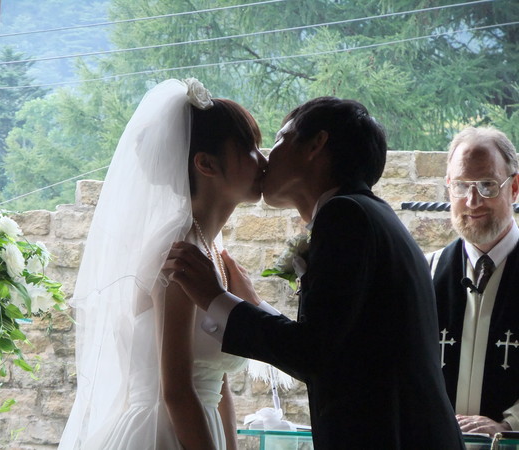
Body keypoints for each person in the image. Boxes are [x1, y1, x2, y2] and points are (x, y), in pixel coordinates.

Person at [164, 96, 465, 448]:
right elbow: (332, 344)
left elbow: (312, 353)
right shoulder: (366, 213)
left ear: (316, 145)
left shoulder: (345, 216)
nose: (266, 158)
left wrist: (215, 299)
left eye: (279, 139)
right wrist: (253, 304)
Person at [58, 78, 267, 449]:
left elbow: (218, 385)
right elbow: (176, 392)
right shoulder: (178, 256)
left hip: (200, 430)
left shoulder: (213, 254)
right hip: (162, 433)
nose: (263, 161)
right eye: (249, 148)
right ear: (206, 164)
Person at [428, 126, 519, 435]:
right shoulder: (426, 273)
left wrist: (509, 424)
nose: (472, 200)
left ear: (514, 187)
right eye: (461, 186)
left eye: (487, 185)